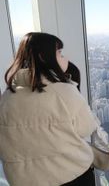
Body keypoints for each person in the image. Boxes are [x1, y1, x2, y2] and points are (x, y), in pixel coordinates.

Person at [0, 32, 98, 186]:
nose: (64, 58)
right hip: (70, 176)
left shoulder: (6, 96)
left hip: (24, 180)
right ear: (43, 57)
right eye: (59, 53)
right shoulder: (64, 91)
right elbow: (86, 129)